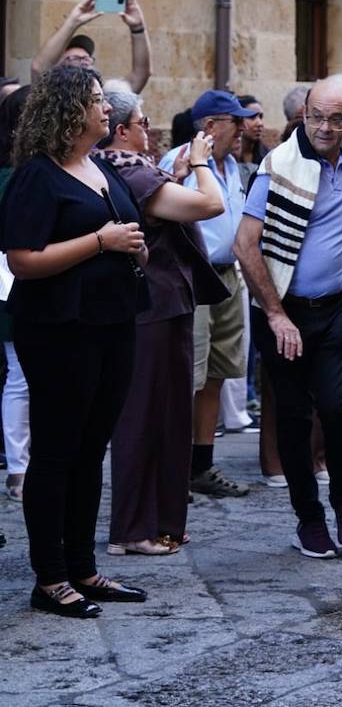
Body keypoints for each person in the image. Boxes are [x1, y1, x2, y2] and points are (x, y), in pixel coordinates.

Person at [0, 64, 151, 617]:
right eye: (95, 100)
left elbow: (125, 236)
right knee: (58, 452)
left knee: (92, 451)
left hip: (113, 323)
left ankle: (83, 568)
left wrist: (133, 248)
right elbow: (22, 260)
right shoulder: (37, 176)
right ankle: (50, 579)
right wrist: (100, 240)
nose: (105, 107)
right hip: (61, 330)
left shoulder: (100, 168)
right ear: (68, 111)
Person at [234, 74, 342, 559]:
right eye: (315, 116)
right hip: (283, 310)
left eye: (335, 118)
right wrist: (275, 314)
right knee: (293, 417)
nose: (323, 126)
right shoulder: (278, 166)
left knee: (338, 408)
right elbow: (244, 244)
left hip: (335, 307)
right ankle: (309, 518)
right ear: (303, 116)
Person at [95, 90, 228, 556]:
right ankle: (132, 529)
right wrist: (201, 163)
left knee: (170, 416)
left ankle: (163, 522)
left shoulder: (127, 167)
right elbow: (209, 205)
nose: (149, 131)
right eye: (143, 122)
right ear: (123, 130)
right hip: (150, 308)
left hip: (165, 304)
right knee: (143, 417)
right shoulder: (125, 167)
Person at [159, 90, 259, 497]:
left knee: (218, 372)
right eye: (236, 122)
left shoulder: (233, 166)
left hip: (226, 277)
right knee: (188, 376)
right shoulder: (178, 161)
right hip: (193, 275)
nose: (244, 129)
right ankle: (172, 467)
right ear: (211, 125)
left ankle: (202, 464)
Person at [0, 85, 33, 503]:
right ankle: (19, 466)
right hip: (11, 282)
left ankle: (24, 464)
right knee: (21, 375)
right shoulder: (13, 176)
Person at [31, 0, 152, 94]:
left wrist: (138, 27)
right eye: (74, 58)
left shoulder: (106, 98)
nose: (83, 63)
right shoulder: (52, 95)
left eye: (86, 58)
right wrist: (73, 22)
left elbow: (140, 75)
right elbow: (39, 68)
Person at [235, 95, 268, 187]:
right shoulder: (228, 158)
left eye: (260, 117)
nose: (259, 123)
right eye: (252, 117)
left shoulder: (267, 158)